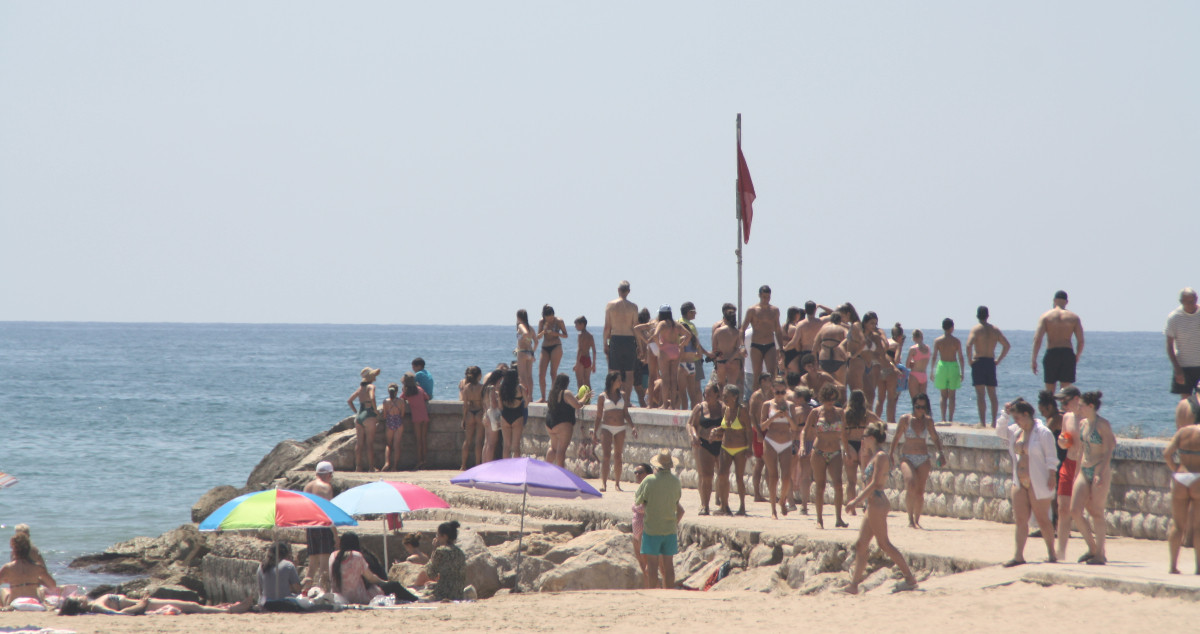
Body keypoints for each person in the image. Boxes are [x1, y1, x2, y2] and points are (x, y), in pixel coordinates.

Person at [843, 422, 919, 594]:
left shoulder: (881, 456)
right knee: (861, 544)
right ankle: (854, 585)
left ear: (870, 438)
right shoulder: (873, 455)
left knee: (883, 543)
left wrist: (855, 501)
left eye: (864, 437)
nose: (862, 440)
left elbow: (875, 484)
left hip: (877, 504)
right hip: (871, 505)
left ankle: (909, 578)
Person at [995, 398, 1058, 566]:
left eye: (1018, 418)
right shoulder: (1015, 431)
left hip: (1038, 480)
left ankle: (1052, 553)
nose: (1016, 421)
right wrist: (1004, 413)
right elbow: (1000, 432)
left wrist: (1052, 475)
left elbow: (1052, 457)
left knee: (1042, 519)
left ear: (1026, 414)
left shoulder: (1043, 432)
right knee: (1020, 520)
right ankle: (1018, 556)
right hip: (1019, 481)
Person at [1070, 390, 1115, 565]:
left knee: (1096, 512)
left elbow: (1110, 449)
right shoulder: (1082, 424)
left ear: (1091, 406)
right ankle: (1092, 547)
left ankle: (1100, 554)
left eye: (1081, 405)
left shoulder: (1103, 425)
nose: (1078, 408)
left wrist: (1100, 472)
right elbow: (1081, 449)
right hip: (1084, 470)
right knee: (1074, 510)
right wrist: (1076, 472)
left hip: (1099, 470)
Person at [890, 393, 946, 529]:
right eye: (917, 407)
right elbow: (896, 437)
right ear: (913, 406)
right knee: (910, 483)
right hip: (907, 457)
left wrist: (940, 452)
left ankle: (916, 520)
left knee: (920, 491)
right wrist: (890, 454)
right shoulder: (905, 419)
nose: (920, 409)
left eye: (923, 407)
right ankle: (909, 519)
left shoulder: (928, 421)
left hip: (923, 458)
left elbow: (935, 437)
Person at [634, 450, 684, 589]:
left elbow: (638, 499)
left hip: (652, 528)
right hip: (669, 528)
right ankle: (669, 591)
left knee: (652, 565)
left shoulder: (649, 480)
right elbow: (677, 501)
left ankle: (652, 592)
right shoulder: (676, 482)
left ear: (657, 465)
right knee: (668, 565)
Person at [803, 384, 848, 529]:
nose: (830, 402)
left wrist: (847, 450)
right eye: (828, 399)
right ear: (822, 398)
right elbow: (805, 430)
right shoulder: (815, 413)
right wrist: (803, 446)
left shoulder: (840, 412)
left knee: (838, 485)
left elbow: (844, 433)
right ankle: (819, 519)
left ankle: (839, 518)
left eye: (833, 399)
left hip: (835, 451)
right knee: (820, 485)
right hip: (819, 452)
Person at [1165, 415, 1200, 574]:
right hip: (1198, 478)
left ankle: (1172, 565)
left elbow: (1167, 453)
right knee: (1198, 527)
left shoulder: (1183, 431)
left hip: (1181, 476)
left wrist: (1175, 468)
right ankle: (1198, 567)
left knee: (1177, 525)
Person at [1032, 290, 1085, 393]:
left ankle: (1050, 408)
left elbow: (1037, 339)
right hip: (1067, 354)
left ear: (1054, 300)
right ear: (1066, 302)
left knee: (1049, 392)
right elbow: (1081, 341)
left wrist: (1034, 359)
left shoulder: (1046, 317)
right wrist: (1077, 356)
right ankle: (1065, 409)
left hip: (1052, 353)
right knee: (1065, 392)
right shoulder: (1074, 318)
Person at [967, 306, 1012, 428]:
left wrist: (969, 360)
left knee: (981, 395)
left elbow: (968, 345)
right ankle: (993, 422)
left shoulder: (976, 330)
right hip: (990, 362)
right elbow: (1007, 345)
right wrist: (998, 359)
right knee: (992, 394)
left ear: (977, 316)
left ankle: (982, 422)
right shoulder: (995, 330)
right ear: (988, 316)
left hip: (979, 362)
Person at [760, 377, 799, 519]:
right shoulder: (767, 405)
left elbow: (795, 427)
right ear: (773, 390)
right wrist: (774, 417)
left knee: (787, 476)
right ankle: (773, 510)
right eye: (777, 392)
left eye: (783, 392)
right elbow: (762, 426)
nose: (780, 395)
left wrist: (787, 417)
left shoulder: (790, 405)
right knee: (773, 476)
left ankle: (782, 500)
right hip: (771, 440)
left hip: (786, 441)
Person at [1054, 386, 1084, 560]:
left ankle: (1097, 549)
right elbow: (1064, 442)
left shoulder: (1088, 418)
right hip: (1068, 463)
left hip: (1084, 466)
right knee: (1063, 508)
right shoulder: (1066, 417)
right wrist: (1061, 442)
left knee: (1083, 510)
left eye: (1065, 401)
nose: (1063, 405)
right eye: (1061, 402)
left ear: (1076, 399)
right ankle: (1061, 552)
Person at [594, 370, 637, 492]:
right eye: (618, 380)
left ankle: (617, 484)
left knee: (618, 456)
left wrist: (633, 426)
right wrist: (595, 432)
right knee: (606, 456)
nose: (621, 382)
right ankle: (604, 483)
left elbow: (626, 414)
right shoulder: (602, 397)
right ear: (612, 381)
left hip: (620, 428)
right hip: (606, 427)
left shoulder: (622, 395)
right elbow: (598, 416)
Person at [716, 384, 754, 516]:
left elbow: (749, 430)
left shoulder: (742, 410)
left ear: (735, 396)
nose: (724, 398)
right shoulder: (725, 409)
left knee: (739, 478)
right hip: (725, 446)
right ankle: (724, 506)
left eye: (727, 396)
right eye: (724, 395)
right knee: (722, 475)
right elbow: (725, 427)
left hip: (740, 448)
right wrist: (717, 430)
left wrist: (750, 447)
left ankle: (742, 506)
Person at [687, 382, 724, 515]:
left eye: (709, 393)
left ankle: (722, 503)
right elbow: (690, 423)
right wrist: (694, 436)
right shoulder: (700, 407)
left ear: (716, 394)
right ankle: (705, 505)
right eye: (705, 393)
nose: (706, 395)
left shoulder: (723, 408)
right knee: (706, 475)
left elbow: (729, 424)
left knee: (722, 475)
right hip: (703, 443)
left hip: (720, 444)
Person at [843, 390, 881, 518]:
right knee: (866, 479)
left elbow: (841, 432)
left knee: (851, 481)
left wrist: (846, 450)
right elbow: (881, 425)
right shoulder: (867, 414)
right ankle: (867, 505)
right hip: (863, 444)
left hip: (850, 445)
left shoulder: (845, 414)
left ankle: (852, 508)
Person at [603, 281, 640, 403]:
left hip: (616, 339)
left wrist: (605, 343)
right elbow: (635, 327)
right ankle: (627, 401)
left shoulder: (610, 305)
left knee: (614, 372)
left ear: (618, 290)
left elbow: (607, 327)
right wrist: (639, 345)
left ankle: (614, 399)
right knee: (629, 373)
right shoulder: (633, 307)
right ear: (628, 291)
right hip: (629, 340)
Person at [303, 461, 337, 592]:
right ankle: (322, 592)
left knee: (312, 565)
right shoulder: (326, 487)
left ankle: (305, 591)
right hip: (323, 526)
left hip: (310, 526)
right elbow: (328, 512)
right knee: (324, 564)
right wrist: (335, 534)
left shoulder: (307, 487)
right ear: (329, 474)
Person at [58, 593, 252, 616]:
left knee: (191, 605)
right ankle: (231, 610)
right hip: (147, 605)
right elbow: (120, 615)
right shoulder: (96, 607)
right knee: (192, 605)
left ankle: (226, 608)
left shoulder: (93, 602)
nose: (79, 596)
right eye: (77, 598)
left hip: (146, 603)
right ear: (80, 605)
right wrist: (141, 604)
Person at [329, 532, 387, 605]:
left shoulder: (332, 556)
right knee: (385, 588)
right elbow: (370, 578)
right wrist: (383, 582)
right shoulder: (357, 556)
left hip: (338, 598)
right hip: (357, 597)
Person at [415, 521, 467, 601]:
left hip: (444, 594)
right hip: (458, 593)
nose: (437, 538)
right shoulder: (460, 553)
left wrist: (434, 549)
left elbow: (431, 573)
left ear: (445, 536)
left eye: (437, 535)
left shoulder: (441, 551)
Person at [0, 533, 56, 608]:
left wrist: (7, 580)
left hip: (14, 603)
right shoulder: (37, 567)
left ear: (14, 550)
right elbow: (52, 585)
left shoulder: (7, 568)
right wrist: (36, 581)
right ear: (28, 549)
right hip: (34, 602)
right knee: (41, 591)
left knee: (3, 591)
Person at [742, 285, 786, 378]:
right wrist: (742, 346)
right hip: (756, 345)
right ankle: (756, 392)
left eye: (768, 297)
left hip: (770, 345)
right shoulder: (752, 310)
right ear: (759, 296)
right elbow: (742, 329)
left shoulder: (774, 310)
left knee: (772, 374)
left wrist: (781, 348)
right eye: (764, 297)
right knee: (757, 376)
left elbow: (778, 330)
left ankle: (771, 392)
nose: (766, 299)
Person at [677, 301, 712, 410]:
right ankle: (698, 411)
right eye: (693, 312)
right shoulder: (690, 326)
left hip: (682, 359)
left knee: (682, 391)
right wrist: (707, 353)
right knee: (696, 390)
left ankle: (685, 410)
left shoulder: (677, 322)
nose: (695, 314)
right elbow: (696, 343)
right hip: (695, 360)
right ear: (688, 312)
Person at [546, 373, 586, 467]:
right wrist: (585, 397)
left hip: (550, 423)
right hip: (562, 424)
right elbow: (578, 405)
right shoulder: (566, 393)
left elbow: (569, 401)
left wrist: (577, 397)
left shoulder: (552, 393)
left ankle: (546, 469)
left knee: (553, 448)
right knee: (561, 451)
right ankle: (561, 474)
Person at [1166, 288, 1200, 397]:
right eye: (1188, 302)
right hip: (1184, 366)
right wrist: (1177, 369)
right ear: (1181, 302)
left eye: (1193, 301)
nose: (1191, 304)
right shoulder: (1174, 318)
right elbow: (1169, 346)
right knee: (1185, 403)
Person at [348, 367, 381, 472]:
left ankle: (358, 467)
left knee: (359, 443)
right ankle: (371, 467)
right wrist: (375, 410)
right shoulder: (371, 387)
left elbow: (350, 401)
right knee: (369, 443)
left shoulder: (360, 389)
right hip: (369, 414)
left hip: (360, 415)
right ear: (371, 377)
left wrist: (355, 412)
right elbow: (372, 398)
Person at [931, 318, 964, 423]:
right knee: (952, 395)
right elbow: (961, 357)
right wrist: (962, 371)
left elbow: (934, 356)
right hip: (953, 366)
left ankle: (943, 418)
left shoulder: (938, 341)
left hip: (942, 366)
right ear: (952, 328)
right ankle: (950, 419)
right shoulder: (956, 341)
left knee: (943, 395)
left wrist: (931, 371)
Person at [652, 305, 686, 410]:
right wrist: (681, 345)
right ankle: (673, 405)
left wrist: (659, 345)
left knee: (665, 379)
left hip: (665, 351)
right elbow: (688, 335)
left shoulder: (662, 324)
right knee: (673, 379)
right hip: (675, 351)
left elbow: (655, 335)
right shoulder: (676, 324)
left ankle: (665, 404)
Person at [747, 373, 772, 502]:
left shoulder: (771, 394)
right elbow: (751, 415)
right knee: (760, 462)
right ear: (762, 381)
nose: (771, 382)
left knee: (769, 462)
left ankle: (770, 492)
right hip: (758, 430)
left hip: (768, 429)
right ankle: (757, 493)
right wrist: (758, 432)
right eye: (769, 380)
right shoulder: (757, 395)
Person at [257, 541, 303, 611]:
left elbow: (261, 591)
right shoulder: (288, 565)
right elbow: (297, 589)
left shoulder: (261, 566)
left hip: (267, 604)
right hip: (283, 603)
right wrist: (305, 582)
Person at [537, 304, 569, 402]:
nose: (550, 319)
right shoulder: (541, 322)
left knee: (553, 372)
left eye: (552, 317)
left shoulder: (559, 321)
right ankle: (543, 397)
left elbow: (565, 335)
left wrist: (556, 334)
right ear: (544, 316)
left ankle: (553, 397)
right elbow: (538, 336)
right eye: (548, 317)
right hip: (545, 347)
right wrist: (544, 331)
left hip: (556, 346)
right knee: (541, 374)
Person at [401, 372, 432, 469]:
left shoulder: (407, 392)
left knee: (418, 441)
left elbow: (401, 399)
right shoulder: (420, 389)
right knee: (424, 439)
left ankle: (419, 461)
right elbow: (426, 397)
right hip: (424, 416)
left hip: (416, 418)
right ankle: (425, 460)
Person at [710, 304, 745, 389]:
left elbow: (714, 349)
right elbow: (739, 349)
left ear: (724, 318)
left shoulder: (718, 331)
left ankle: (722, 402)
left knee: (721, 386)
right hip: (734, 361)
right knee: (732, 387)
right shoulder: (737, 332)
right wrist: (730, 360)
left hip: (721, 362)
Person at [876, 323, 906, 422]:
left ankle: (876, 420)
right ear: (900, 336)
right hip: (891, 372)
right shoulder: (897, 345)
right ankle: (891, 421)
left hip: (880, 371)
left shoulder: (885, 342)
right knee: (890, 399)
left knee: (880, 399)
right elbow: (896, 360)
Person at [630, 463, 654, 578]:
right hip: (637, 529)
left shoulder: (649, 488)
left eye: (640, 472)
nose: (637, 475)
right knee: (642, 565)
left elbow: (647, 507)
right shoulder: (640, 489)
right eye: (636, 473)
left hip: (644, 528)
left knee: (647, 565)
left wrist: (634, 507)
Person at [459, 366, 485, 470]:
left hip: (470, 413)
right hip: (479, 413)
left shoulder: (466, 388)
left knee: (467, 441)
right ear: (479, 376)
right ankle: (478, 465)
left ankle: (463, 465)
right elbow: (484, 403)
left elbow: (465, 405)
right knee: (479, 441)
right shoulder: (482, 387)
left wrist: (464, 419)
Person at [498, 368, 527, 459]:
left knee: (506, 445)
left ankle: (505, 468)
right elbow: (526, 403)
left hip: (505, 416)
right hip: (517, 415)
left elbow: (500, 406)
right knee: (516, 446)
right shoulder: (520, 388)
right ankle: (516, 468)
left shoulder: (502, 388)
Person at [481, 365, 507, 463]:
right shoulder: (492, 389)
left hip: (485, 415)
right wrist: (499, 397)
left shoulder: (485, 388)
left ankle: (483, 464)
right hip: (492, 417)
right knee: (492, 444)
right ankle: (487, 465)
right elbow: (494, 404)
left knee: (486, 443)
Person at [814, 312, 849, 384]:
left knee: (823, 388)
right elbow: (849, 338)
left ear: (830, 320)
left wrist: (815, 362)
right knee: (841, 386)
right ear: (840, 321)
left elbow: (815, 346)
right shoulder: (843, 329)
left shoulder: (823, 329)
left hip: (824, 360)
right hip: (838, 359)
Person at [380, 382, 406, 471]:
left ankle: (387, 462)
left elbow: (384, 415)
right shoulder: (401, 401)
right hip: (398, 422)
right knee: (397, 445)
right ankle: (394, 467)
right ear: (397, 391)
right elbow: (402, 414)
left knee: (388, 444)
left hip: (389, 422)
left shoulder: (385, 402)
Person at [515, 309, 538, 400]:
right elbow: (536, 342)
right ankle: (530, 396)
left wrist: (524, 339)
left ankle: (524, 396)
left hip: (522, 352)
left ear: (518, 317)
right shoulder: (531, 327)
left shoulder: (520, 325)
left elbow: (525, 333)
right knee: (529, 376)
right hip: (529, 353)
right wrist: (532, 352)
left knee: (522, 376)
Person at [905, 329, 931, 399]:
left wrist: (912, 363)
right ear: (922, 337)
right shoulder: (928, 348)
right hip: (924, 375)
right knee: (923, 402)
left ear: (913, 338)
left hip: (915, 375)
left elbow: (907, 365)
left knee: (914, 401)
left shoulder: (913, 349)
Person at [573, 316, 597, 391]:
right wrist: (594, 364)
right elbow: (594, 351)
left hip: (581, 359)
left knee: (580, 382)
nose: (575, 327)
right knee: (587, 381)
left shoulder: (580, 336)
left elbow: (580, 350)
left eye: (576, 325)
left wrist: (576, 363)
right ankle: (588, 400)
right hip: (588, 359)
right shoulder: (590, 336)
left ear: (582, 324)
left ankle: (581, 399)